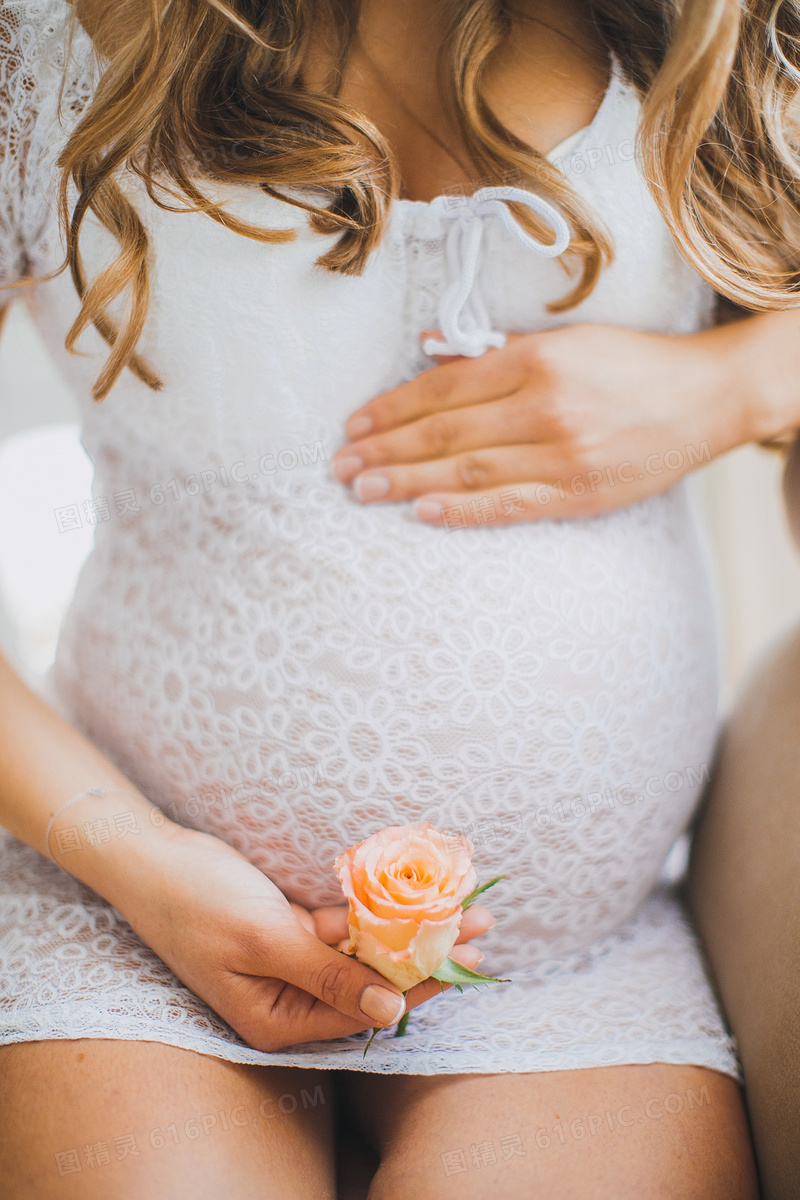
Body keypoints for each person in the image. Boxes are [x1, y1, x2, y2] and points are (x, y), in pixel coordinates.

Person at [2, 0, 799, 1195]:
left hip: (574, 970)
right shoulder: (41, 40)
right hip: (128, 923)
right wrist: (137, 865)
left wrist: (739, 383)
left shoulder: (724, 36)